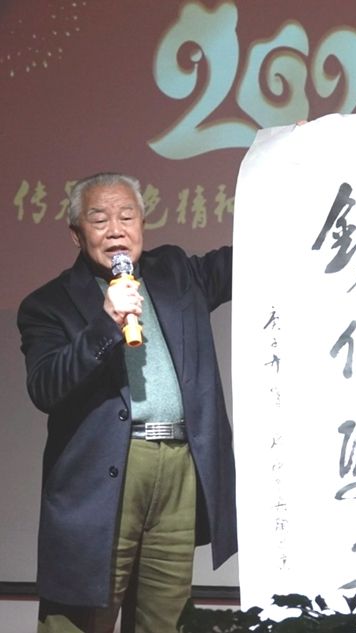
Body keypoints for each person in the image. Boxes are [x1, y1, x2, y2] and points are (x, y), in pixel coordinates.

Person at [17, 172, 237, 633]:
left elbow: (249, 258)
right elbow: (45, 387)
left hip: (178, 465)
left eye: (127, 217)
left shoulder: (176, 272)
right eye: (100, 220)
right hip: (101, 478)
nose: (116, 230)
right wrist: (105, 323)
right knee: (79, 620)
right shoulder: (48, 304)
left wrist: (299, 179)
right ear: (76, 234)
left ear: (142, 224)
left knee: (165, 619)